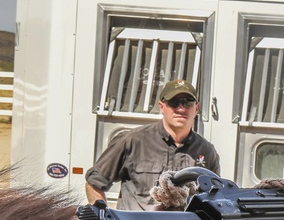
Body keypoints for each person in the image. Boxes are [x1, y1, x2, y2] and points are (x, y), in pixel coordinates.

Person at [85, 79, 220, 210]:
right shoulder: (132, 140)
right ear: (161, 106)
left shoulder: (207, 151)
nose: (181, 108)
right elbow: (94, 183)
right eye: (174, 102)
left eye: (187, 102)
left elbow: (215, 197)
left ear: (196, 108)